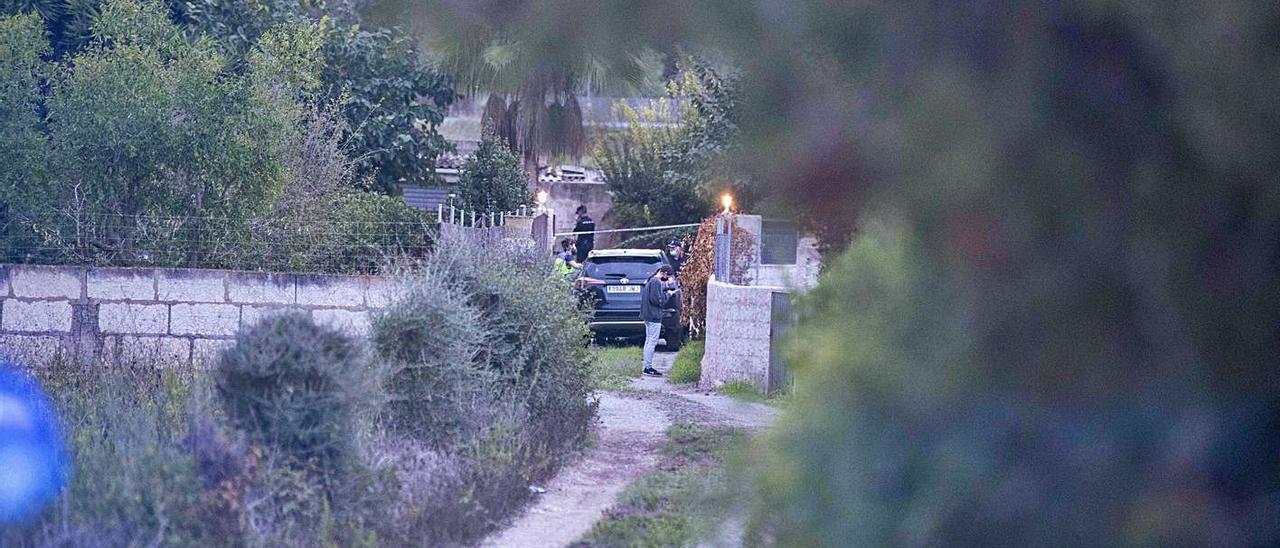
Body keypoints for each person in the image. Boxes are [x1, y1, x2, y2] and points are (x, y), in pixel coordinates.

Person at [639, 264, 673, 377]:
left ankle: (646, 366)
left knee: (648, 340)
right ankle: (648, 367)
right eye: (667, 276)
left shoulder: (651, 281)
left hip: (647, 315)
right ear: (664, 273)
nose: (667, 279)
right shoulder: (656, 282)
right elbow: (657, 300)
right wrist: (667, 295)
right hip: (654, 316)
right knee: (652, 341)